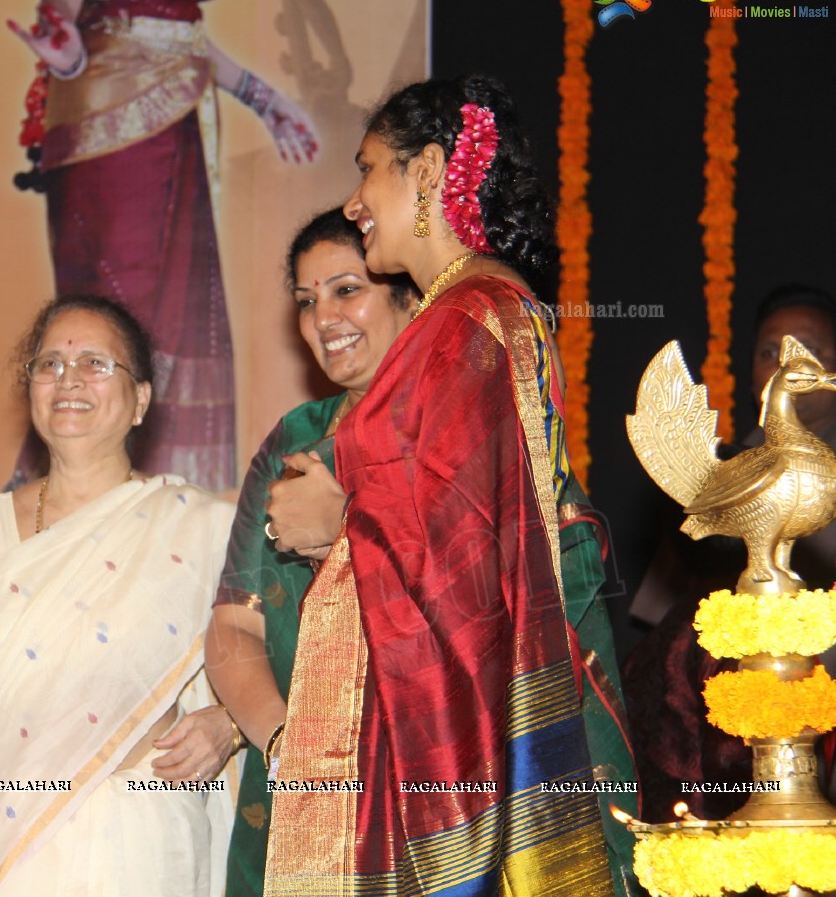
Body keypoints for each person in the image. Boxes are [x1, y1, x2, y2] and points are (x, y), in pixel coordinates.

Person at [262, 75, 617, 895]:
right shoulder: (474, 312)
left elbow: (460, 560)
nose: (353, 201)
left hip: (452, 746)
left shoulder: (466, 320)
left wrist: (339, 522)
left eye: (367, 168)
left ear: (425, 171)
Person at [0, 295, 239, 896]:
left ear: (141, 400)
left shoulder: (201, 528)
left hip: (140, 844)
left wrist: (230, 725)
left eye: (96, 364)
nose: (67, 379)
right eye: (48, 365)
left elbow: (290, 669)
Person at [7, 0, 318, 491]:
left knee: (177, 315)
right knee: (120, 314)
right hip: (108, 132)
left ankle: (164, 502)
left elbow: (182, 36)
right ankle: (76, 498)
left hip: (176, 123)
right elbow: (61, 8)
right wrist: (68, 53)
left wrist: (265, 100)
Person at [205, 208, 417, 897]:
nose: (323, 315)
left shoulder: (463, 430)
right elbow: (234, 624)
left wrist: (349, 527)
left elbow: (503, 596)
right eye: (305, 299)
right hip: (296, 794)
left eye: (345, 289)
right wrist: (283, 748)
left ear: (407, 297)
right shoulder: (296, 437)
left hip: (431, 783)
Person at [624, 283, 836, 819]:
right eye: (769, 351)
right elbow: (659, 621)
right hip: (709, 721)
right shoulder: (727, 471)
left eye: (810, 350)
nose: (784, 362)